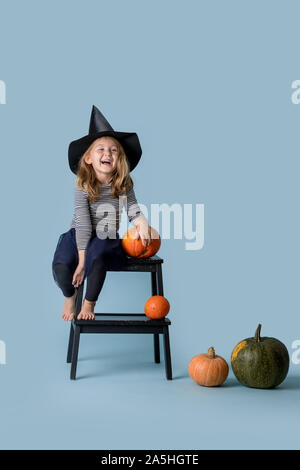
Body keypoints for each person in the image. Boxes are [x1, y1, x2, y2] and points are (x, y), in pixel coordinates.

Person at [52, 105, 151, 321]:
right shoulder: (83, 186)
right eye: (101, 149)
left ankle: (89, 302)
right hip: (79, 233)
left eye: (113, 150)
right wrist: (80, 262)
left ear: (119, 159)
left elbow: (132, 209)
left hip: (105, 236)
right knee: (61, 266)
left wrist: (142, 222)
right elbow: (84, 224)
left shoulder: (122, 184)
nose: (108, 153)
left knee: (97, 259)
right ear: (88, 158)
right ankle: (70, 295)